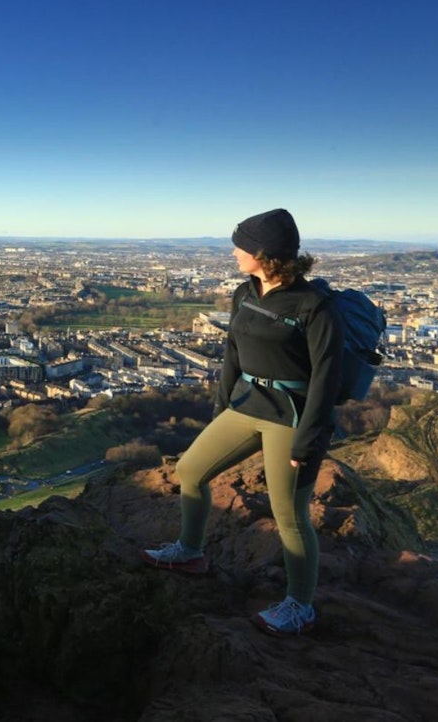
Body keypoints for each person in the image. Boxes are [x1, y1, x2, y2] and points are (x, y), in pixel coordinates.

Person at [142, 208, 342, 636]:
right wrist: (221, 410)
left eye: (242, 246)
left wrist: (307, 443)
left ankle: (299, 606)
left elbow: (327, 378)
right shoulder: (243, 293)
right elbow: (233, 353)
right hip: (246, 403)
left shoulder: (314, 306)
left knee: (288, 514)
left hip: (290, 415)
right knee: (190, 470)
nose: (234, 252)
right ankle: (191, 551)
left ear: (265, 254)